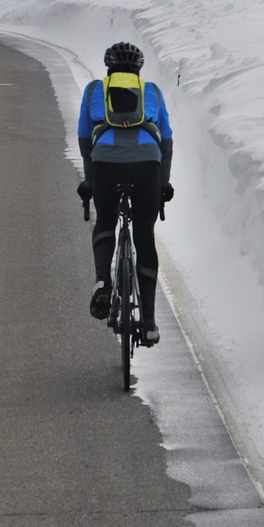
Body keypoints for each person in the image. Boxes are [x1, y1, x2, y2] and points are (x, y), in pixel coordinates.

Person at [76, 42, 174, 345]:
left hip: (106, 163)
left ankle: (103, 281)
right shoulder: (152, 91)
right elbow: (166, 142)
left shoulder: (95, 90)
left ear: (109, 69)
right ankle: (149, 323)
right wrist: (163, 184)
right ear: (139, 70)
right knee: (144, 235)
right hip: (147, 165)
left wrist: (90, 181)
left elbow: (84, 138)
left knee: (105, 219)